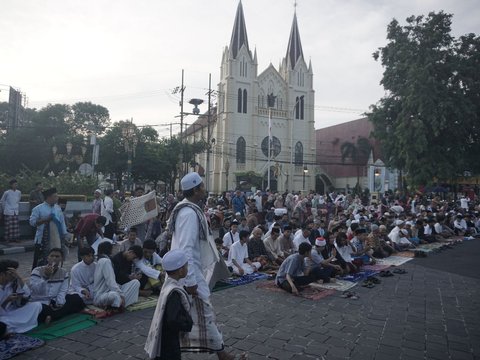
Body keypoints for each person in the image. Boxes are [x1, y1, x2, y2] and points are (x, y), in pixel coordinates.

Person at [167, 172, 236, 359]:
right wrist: (190, 280)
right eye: (203, 186)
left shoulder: (188, 208)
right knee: (204, 313)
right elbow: (187, 248)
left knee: (196, 313)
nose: (205, 189)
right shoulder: (189, 213)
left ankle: (204, 350)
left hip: (187, 271)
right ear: (196, 190)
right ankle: (221, 353)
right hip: (189, 272)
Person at [145, 249, 193, 360]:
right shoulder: (174, 292)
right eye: (186, 266)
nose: (187, 269)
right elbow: (173, 319)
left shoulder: (168, 285)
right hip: (169, 341)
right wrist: (187, 323)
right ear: (181, 271)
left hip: (165, 337)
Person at [30, 248, 85, 323]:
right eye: (52, 256)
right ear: (47, 258)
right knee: (38, 308)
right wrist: (46, 277)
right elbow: (36, 290)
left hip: (55, 300)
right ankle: (52, 315)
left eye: (57, 256)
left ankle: (51, 315)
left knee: (76, 298)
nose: (54, 258)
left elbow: (63, 290)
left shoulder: (63, 272)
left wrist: (59, 303)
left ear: (61, 259)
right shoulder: (37, 270)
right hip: (41, 300)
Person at [93, 241, 140, 310]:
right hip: (102, 295)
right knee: (115, 295)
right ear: (109, 249)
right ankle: (120, 304)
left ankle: (120, 304)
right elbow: (110, 282)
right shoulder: (105, 261)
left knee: (135, 282)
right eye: (113, 248)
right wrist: (120, 294)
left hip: (111, 290)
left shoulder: (108, 260)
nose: (115, 249)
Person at [0, 260, 43, 334]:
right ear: (2, 274)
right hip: (2, 316)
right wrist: (7, 300)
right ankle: (8, 327)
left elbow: (27, 295)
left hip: (12, 313)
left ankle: (9, 328)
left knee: (36, 305)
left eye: (15, 273)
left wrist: (19, 278)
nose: (14, 275)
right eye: (11, 273)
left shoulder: (13, 283)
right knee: (4, 322)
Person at [30, 188, 68, 269]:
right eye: (55, 196)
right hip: (42, 240)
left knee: (56, 260)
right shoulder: (38, 208)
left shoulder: (58, 208)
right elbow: (32, 222)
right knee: (39, 262)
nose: (57, 198)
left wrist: (64, 235)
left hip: (57, 239)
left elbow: (62, 222)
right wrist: (45, 220)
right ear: (49, 197)